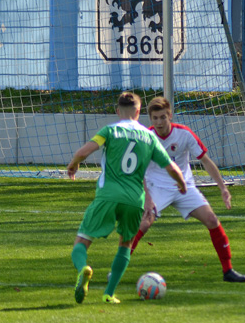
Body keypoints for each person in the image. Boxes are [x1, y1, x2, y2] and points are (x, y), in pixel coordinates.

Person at [67, 92, 187, 304]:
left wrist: (74, 164)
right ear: (139, 112)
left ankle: (83, 269)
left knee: (82, 240)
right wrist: (181, 182)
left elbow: (84, 151)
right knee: (125, 244)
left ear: (117, 111)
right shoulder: (149, 136)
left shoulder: (110, 130)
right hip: (134, 200)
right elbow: (170, 166)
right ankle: (109, 294)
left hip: (108, 196)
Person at [130, 96, 245, 283]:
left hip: (184, 187)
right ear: (150, 119)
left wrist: (223, 188)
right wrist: (147, 198)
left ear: (170, 116)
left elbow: (206, 161)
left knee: (211, 219)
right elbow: (139, 170)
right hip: (156, 188)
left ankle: (228, 271)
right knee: (144, 224)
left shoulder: (184, 134)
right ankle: (117, 269)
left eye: (163, 117)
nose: (159, 122)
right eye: (155, 118)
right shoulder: (146, 137)